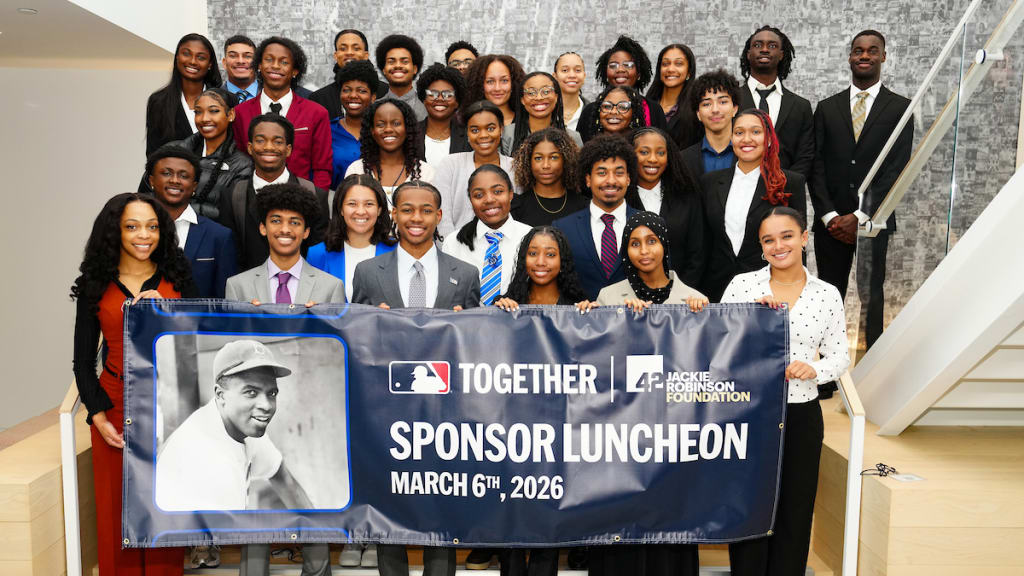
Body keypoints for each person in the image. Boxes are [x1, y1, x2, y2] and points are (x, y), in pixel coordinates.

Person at [351, 181, 477, 576]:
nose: (416, 218)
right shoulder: (368, 272)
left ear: (439, 216)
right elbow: (355, 342)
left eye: (426, 210)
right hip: (388, 412)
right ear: (394, 214)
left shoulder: (466, 273)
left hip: (446, 413)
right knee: (391, 505)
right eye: (407, 210)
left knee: (441, 506)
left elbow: (477, 345)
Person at [71, 193, 195, 576]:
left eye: (153, 226)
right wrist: (97, 415)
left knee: (163, 514)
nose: (145, 235)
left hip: (168, 407)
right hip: (115, 407)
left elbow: (195, 346)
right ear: (115, 232)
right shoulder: (95, 284)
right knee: (115, 516)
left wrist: (167, 314)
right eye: (132, 226)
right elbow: (81, 360)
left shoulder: (177, 279)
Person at [721, 206, 850, 576]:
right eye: (769, 240)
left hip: (801, 414)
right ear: (761, 248)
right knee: (748, 508)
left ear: (805, 238)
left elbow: (840, 356)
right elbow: (719, 344)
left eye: (787, 236)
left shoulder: (826, 295)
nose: (778, 246)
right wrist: (750, 320)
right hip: (749, 413)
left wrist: (815, 368)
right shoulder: (743, 286)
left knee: (795, 509)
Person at [224, 182, 344, 576]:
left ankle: (318, 571)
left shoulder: (329, 288)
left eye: (295, 222)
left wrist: (319, 324)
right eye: (275, 221)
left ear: (307, 231)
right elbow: (230, 346)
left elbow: (341, 349)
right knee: (254, 501)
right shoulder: (238, 286)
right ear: (263, 228)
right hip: (257, 405)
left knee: (312, 495)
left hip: (310, 401)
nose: (285, 229)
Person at [489, 225, 593, 576]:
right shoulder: (507, 305)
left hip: (559, 434)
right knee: (513, 519)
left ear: (562, 260)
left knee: (549, 520)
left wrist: (591, 321)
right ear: (523, 258)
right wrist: (495, 315)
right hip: (512, 430)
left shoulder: (580, 307)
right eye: (533, 253)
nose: (541, 261)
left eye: (550, 253)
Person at [810, 29, 913, 352]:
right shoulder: (827, 108)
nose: (864, 56)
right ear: (850, 57)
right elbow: (816, 165)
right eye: (858, 51)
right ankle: (826, 370)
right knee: (829, 294)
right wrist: (829, 216)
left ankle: (872, 367)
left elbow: (896, 168)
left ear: (883, 56)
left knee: (872, 293)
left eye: (872, 51)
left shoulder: (901, 108)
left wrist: (860, 215)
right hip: (831, 225)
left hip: (873, 221)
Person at [155, 340, 309, 511]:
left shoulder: (241, 424)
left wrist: (320, 528)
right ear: (220, 395)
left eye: (271, 393)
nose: (266, 405)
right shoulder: (208, 461)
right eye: (251, 392)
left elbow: (283, 478)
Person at [699, 109, 807, 303]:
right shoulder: (710, 182)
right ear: (731, 138)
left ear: (768, 139)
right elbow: (701, 241)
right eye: (739, 132)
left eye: (755, 132)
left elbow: (796, 245)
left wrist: (797, 292)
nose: (746, 139)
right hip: (715, 289)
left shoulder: (790, 182)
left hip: (768, 292)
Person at [220, 114, 330, 271]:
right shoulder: (232, 195)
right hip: (248, 291)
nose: (269, 147)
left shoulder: (315, 195)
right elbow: (229, 255)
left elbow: (318, 255)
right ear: (250, 148)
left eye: (277, 142)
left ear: (288, 149)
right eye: (260, 140)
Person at [231, 36, 333, 189]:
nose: (276, 66)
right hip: (252, 199)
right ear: (259, 65)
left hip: (300, 200)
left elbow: (322, 169)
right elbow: (238, 163)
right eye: (269, 60)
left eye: (284, 62)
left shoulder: (316, 113)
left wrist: (314, 203)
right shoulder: (240, 113)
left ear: (295, 71)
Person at [554, 134, 640, 300]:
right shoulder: (563, 228)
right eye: (602, 173)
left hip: (635, 322)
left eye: (619, 173)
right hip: (579, 322)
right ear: (588, 179)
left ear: (628, 179)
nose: (611, 181)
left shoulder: (647, 225)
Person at [147, 145, 236, 298]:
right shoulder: (132, 231)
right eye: (166, 173)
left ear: (194, 186)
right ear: (152, 181)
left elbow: (223, 301)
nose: (175, 180)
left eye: (184, 176)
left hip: (197, 322)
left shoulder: (219, 236)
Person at [157, 87, 253, 220]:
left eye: (214, 111)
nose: (204, 118)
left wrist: (182, 210)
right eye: (198, 112)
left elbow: (233, 214)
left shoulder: (242, 164)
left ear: (230, 115)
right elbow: (148, 194)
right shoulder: (171, 151)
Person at [442, 165, 531, 305]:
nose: (489, 199)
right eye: (478, 195)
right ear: (470, 200)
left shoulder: (530, 237)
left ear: (511, 194)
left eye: (498, 191)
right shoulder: (453, 242)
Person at [630, 128, 705, 288]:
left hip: (681, 298)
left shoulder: (687, 197)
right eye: (644, 152)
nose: (653, 159)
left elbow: (697, 254)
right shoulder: (620, 198)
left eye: (660, 153)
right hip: (630, 299)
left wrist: (679, 294)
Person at [738, 25, 814, 181]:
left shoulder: (801, 106)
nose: (764, 49)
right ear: (748, 54)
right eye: (757, 45)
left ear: (781, 55)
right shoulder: (731, 100)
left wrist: (785, 186)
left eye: (772, 46)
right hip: (739, 190)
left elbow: (805, 156)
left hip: (784, 195)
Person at [307, 174, 397, 301]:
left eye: (369, 204)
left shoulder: (396, 251)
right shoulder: (317, 254)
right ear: (341, 209)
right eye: (352, 204)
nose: (360, 211)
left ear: (379, 210)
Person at [434, 101, 514, 237]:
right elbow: (442, 218)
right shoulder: (450, 165)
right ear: (467, 133)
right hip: (456, 251)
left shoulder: (515, 168)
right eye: (475, 130)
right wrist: (451, 253)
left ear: (501, 130)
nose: (483, 135)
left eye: (490, 128)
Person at [576, 36, 667, 143]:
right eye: (613, 65)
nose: (620, 69)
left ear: (639, 74)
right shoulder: (590, 111)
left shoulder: (653, 110)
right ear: (606, 73)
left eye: (628, 65)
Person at [345, 98, 435, 204]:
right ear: (372, 131)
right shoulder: (356, 170)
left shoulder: (426, 172)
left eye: (396, 123)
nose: (388, 129)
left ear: (407, 129)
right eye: (380, 124)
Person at [145, 33, 222, 155]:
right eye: (186, 54)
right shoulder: (159, 101)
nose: (192, 61)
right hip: (176, 173)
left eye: (201, 57)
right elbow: (154, 153)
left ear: (210, 64)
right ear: (177, 57)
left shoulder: (223, 99)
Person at [511, 128, 588, 226]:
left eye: (554, 157)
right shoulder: (516, 207)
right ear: (528, 162)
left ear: (566, 160)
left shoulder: (583, 206)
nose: (546, 165)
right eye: (538, 158)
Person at [310, 29, 388, 120]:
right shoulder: (318, 99)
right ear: (336, 55)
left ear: (366, 55)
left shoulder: (386, 92)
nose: (349, 53)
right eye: (343, 49)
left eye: (356, 48)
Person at [681, 70, 741, 182]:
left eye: (723, 102)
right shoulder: (683, 159)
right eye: (706, 104)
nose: (715, 110)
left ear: (735, 109)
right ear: (698, 114)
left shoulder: (749, 154)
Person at [329, 61, 380, 189]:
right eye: (346, 90)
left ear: (373, 97)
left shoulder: (383, 131)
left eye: (361, 91)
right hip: (335, 202)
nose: (352, 95)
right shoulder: (328, 131)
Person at [504, 71, 582, 154]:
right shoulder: (507, 134)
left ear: (556, 96)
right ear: (522, 100)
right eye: (531, 93)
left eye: (546, 91)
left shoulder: (572, 137)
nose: (539, 97)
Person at [414, 63, 471, 166]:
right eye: (433, 94)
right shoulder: (410, 133)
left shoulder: (468, 136)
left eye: (448, 95)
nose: (440, 99)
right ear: (424, 99)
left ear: (457, 101)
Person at [647, 43, 701, 149]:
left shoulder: (696, 108)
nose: (670, 69)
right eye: (665, 64)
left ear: (689, 72)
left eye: (679, 63)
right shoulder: (646, 105)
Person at [375, 34, 428, 122]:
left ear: (415, 69)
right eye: (391, 61)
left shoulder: (428, 108)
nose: (398, 65)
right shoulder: (373, 108)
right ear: (384, 69)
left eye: (405, 61)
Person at [465, 54, 526, 128]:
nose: (497, 88)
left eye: (504, 80)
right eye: (490, 81)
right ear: (479, 85)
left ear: (514, 83)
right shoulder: (465, 123)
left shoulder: (527, 122)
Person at [554, 52, 587, 131]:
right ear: (555, 77)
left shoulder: (592, 112)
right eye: (565, 70)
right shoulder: (543, 110)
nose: (572, 75)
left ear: (584, 76)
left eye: (578, 70)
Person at [222, 34, 258, 103]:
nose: (240, 61)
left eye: (247, 56)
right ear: (224, 63)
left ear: (256, 62)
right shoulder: (211, 97)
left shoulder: (271, 94)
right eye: (233, 56)